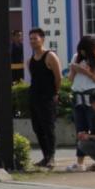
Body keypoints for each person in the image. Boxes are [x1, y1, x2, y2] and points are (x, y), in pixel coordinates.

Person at [66, 36, 95, 171]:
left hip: (93, 95)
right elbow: (70, 79)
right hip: (78, 95)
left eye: (85, 51)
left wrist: (88, 73)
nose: (82, 54)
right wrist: (74, 70)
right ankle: (80, 162)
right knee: (80, 129)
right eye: (81, 51)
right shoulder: (76, 57)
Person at [27, 27, 62, 169]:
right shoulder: (29, 60)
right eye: (30, 39)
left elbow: (58, 77)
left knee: (48, 127)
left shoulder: (50, 56)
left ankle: (51, 157)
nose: (33, 41)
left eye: (35, 38)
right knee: (38, 128)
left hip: (47, 97)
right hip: (34, 96)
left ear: (42, 39)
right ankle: (45, 156)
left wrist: (55, 93)